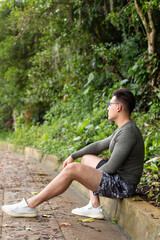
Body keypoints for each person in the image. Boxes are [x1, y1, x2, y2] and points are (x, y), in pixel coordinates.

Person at [2, 88, 144, 219]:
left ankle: (30, 205)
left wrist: (86, 176)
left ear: (118, 107)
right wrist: (74, 155)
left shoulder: (128, 132)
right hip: (118, 179)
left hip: (123, 186)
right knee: (86, 159)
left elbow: (111, 168)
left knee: (72, 169)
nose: (108, 108)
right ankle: (94, 207)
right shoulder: (123, 129)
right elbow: (99, 145)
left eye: (110, 104)